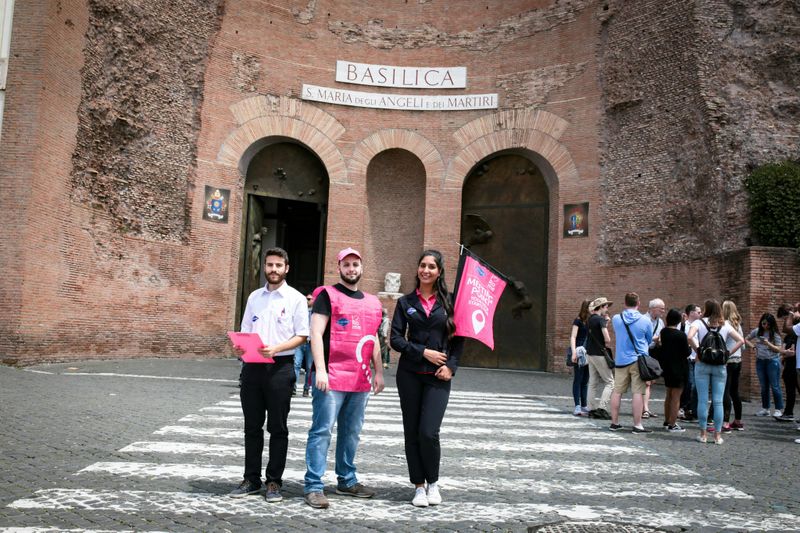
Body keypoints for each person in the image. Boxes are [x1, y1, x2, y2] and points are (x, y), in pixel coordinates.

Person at [303, 247, 385, 509]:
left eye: (355, 265)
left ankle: (347, 480)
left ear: (362, 268)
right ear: (339, 268)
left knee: (351, 432)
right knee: (322, 431)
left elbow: (373, 338)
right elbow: (316, 333)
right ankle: (314, 485)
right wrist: (320, 369)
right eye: (346, 265)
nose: (351, 269)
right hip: (332, 377)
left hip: (360, 378)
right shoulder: (327, 296)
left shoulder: (372, 302)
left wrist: (379, 371)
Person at [230, 247, 309, 502]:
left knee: (278, 427)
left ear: (287, 268)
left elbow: (302, 335)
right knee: (252, 426)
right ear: (265, 267)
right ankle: (251, 479)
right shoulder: (254, 297)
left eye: (278, 265)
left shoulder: (296, 298)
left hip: (281, 367)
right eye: (270, 265)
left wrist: (277, 348)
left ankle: (274, 481)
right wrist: (239, 346)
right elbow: (245, 329)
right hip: (252, 367)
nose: (273, 269)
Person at [390, 249, 464, 508]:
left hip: (438, 376)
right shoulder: (405, 302)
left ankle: (433, 483)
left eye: (432, 266)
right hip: (409, 374)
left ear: (439, 272)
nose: (426, 270)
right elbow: (396, 339)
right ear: (417, 269)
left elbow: (459, 339)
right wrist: (422, 352)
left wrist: (451, 366)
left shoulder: (451, 302)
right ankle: (419, 487)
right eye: (423, 265)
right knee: (412, 432)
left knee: (429, 432)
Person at [687, 299, 745, 444]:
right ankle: (717, 436)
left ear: (706, 309)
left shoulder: (699, 323)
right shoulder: (724, 324)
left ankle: (703, 435)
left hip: (702, 364)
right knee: (718, 401)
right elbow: (741, 340)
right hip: (720, 365)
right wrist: (727, 354)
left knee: (702, 399)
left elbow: (689, 337)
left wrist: (698, 351)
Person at [609, 292, 653, 433]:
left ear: (624, 303)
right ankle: (637, 425)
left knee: (617, 391)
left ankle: (614, 423)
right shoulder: (645, 321)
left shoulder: (616, 319)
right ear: (638, 303)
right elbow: (649, 339)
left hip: (620, 360)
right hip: (638, 360)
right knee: (638, 392)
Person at [656, 308, 690, 432]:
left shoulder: (664, 332)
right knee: (676, 397)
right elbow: (686, 352)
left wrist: (683, 325)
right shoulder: (681, 335)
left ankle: (667, 421)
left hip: (667, 367)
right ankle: (673, 424)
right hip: (679, 368)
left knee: (669, 395)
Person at [746, 313, 784, 417]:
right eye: (763, 323)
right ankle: (765, 408)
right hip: (760, 361)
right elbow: (746, 339)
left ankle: (778, 409)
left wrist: (768, 343)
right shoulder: (757, 331)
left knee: (775, 386)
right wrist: (753, 347)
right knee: (764, 386)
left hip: (772, 361)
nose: (765, 326)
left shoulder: (775, 334)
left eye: (768, 324)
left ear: (771, 324)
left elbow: (779, 349)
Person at [585, 297, 614, 420]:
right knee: (610, 382)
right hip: (599, 354)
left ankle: (591, 409)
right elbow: (607, 339)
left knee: (592, 382)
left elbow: (595, 333)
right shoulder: (600, 320)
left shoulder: (590, 319)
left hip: (590, 353)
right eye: (606, 307)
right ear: (601, 307)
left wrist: (605, 322)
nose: (607, 309)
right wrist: (605, 324)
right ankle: (602, 408)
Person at [721, 300, 747, 431]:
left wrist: (727, 353)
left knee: (725, 391)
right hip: (738, 360)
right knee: (735, 391)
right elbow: (743, 345)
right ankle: (738, 420)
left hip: (728, 360)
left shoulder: (725, 324)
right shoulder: (738, 325)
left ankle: (725, 422)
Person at [643, 298, 666, 419]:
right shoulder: (643, 320)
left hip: (654, 352)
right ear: (653, 308)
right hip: (644, 352)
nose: (663, 311)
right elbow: (641, 337)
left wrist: (659, 341)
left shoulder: (660, 322)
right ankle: (645, 409)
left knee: (651, 381)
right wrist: (654, 339)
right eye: (661, 308)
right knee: (646, 382)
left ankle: (645, 407)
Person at [568, 300, 591, 416]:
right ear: (586, 308)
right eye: (591, 307)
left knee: (585, 380)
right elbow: (573, 337)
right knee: (578, 378)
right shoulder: (578, 320)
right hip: (579, 352)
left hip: (589, 352)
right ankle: (577, 406)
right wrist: (574, 353)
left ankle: (584, 405)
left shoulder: (592, 321)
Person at [776, 304, 799, 422]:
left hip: (794, 365)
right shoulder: (790, 335)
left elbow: (793, 352)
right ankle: (788, 412)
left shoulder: (795, 331)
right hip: (789, 365)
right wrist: (784, 354)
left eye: (785, 318)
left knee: (793, 389)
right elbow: (783, 349)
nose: (785, 321)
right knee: (790, 390)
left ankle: (788, 412)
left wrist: (785, 354)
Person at [679, 304, 701, 422]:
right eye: (698, 312)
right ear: (691, 313)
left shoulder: (701, 325)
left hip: (697, 358)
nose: (700, 314)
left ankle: (690, 408)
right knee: (690, 384)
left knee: (695, 385)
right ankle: (684, 407)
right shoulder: (683, 325)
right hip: (688, 358)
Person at [293, 293, 315, 397]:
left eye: (309, 299)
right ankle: (293, 387)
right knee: (296, 364)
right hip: (299, 342)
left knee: (309, 367)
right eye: (306, 299)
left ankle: (306, 388)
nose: (307, 301)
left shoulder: (316, 313)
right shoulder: (300, 311)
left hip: (311, 343)